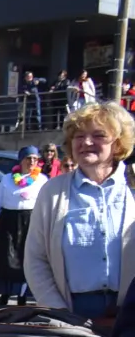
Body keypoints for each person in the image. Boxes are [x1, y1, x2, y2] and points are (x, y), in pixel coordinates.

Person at [24, 101, 135, 318]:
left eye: (99, 135)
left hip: (131, 313)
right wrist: (59, 311)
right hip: (72, 312)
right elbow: (35, 258)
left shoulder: (132, 188)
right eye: (79, 136)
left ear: (118, 143)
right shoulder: (53, 191)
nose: (86, 142)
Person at [0, 145, 47, 306]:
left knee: (27, 259)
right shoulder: (8, 179)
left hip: (30, 221)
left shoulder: (42, 180)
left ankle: (22, 295)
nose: (32, 162)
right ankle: (5, 293)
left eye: (35, 159)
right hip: (9, 221)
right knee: (6, 258)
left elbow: (47, 205)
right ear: (21, 160)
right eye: (28, 158)